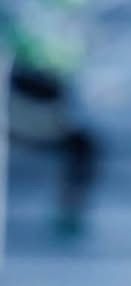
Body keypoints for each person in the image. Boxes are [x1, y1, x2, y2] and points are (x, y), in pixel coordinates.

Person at [4, 0, 100, 237]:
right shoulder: (21, 28)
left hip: (44, 116)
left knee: (85, 146)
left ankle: (70, 212)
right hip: (16, 111)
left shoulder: (70, 37)